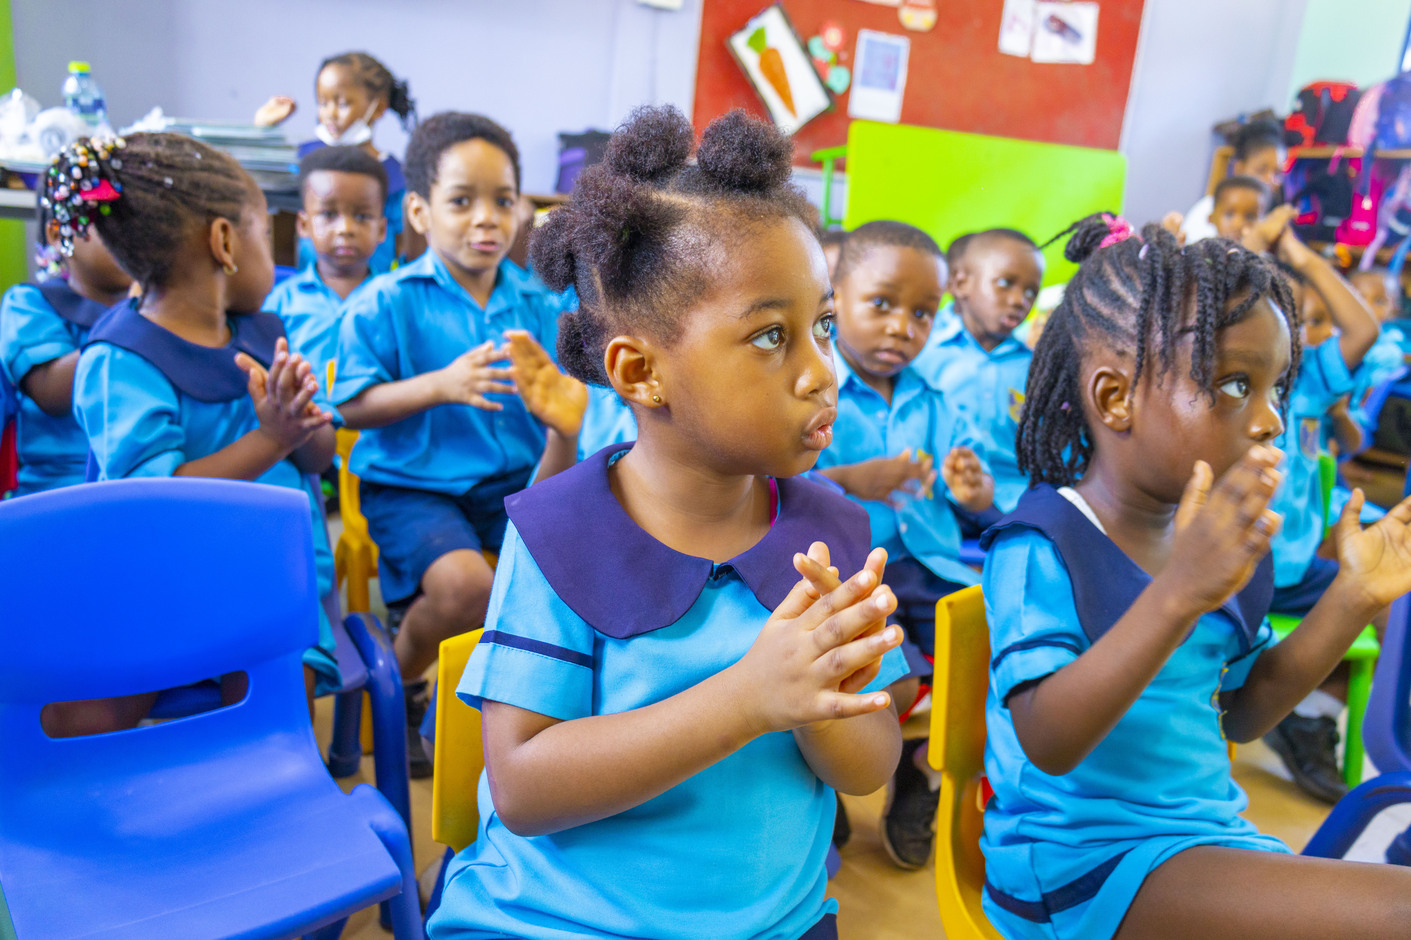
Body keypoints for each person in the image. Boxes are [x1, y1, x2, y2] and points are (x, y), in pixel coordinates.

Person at [426, 105, 908, 940]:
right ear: (640, 372)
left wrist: (819, 702)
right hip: (558, 925)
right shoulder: (558, 532)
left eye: (821, 327)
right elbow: (524, 789)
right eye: (770, 336)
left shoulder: (832, 530)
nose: (821, 372)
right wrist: (750, 697)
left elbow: (869, 772)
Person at [982, 212, 1411, 940]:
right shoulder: (1042, 544)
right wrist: (1179, 592)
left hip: (1204, 837)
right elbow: (1048, 742)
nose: (1273, 420)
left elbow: (1240, 711)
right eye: (1236, 384)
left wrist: (1350, 597)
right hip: (1076, 867)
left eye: (1277, 387)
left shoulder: (1224, 541)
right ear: (1114, 398)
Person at [63, 134, 337, 731]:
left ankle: (268, 800)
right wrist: (271, 438)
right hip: (158, 579)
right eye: (266, 233)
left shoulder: (267, 333)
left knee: (276, 700)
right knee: (91, 707)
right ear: (224, 242)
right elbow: (155, 504)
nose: (273, 249)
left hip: (270, 574)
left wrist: (304, 424)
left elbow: (318, 459)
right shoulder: (119, 360)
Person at [332, 112, 573, 777]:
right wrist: (438, 386)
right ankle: (404, 679)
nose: (486, 219)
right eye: (461, 201)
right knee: (469, 588)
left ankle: (520, 721)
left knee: (577, 579)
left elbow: (568, 405)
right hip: (416, 488)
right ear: (418, 210)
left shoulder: (541, 304)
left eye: (502, 200)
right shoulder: (385, 302)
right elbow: (350, 405)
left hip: (515, 488)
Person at [813, 219, 994, 870]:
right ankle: (824, 778)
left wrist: (972, 493)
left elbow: (968, 494)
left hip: (930, 566)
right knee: (883, 681)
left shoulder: (935, 398)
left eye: (922, 314)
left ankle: (920, 769)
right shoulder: (812, 384)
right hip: (847, 577)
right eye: (882, 304)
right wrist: (847, 480)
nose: (901, 328)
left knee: (992, 644)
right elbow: (771, 489)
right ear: (833, 295)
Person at [1241, 210, 1381, 803]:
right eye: (1279, 318)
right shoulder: (1238, 383)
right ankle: (1292, 718)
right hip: (1242, 571)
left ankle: (1323, 718)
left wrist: (1300, 255)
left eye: (1297, 320)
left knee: (1381, 593)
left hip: (1295, 569)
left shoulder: (1311, 383)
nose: (1292, 332)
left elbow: (1364, 330)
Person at [0, 183, 132, 495]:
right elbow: (52, 393)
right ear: (59, 235)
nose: (132, 237)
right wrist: (136, 317)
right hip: (57, 492)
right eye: (111, 222)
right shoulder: (30, 303)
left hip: (140, 482)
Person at [914, 227, 1044, 517]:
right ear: (960, 283)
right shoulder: (922, 347)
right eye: (1005, 283)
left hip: (1011, 502)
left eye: (1030, 292)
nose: (1018, 300)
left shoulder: (1035, 367)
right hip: (934, 499)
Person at [255, 51, 417, 271]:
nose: (329, 113)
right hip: (313, 292)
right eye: (322, 103)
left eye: (342, 104)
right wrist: (262, 130)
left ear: (377, 108)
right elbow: (259, 183)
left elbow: (403, 247)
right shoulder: (304, 160)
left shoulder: (394, 177)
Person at [264, 145, 388, 393]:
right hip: (301, 426)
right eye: (329, 214)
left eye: (362, 216)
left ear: (382, 229)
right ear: (303, 224)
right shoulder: (281, 302)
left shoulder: (393, 298)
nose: (345, 228)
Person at [1182, 119, 1286, 244]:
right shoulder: (1207, 209)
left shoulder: (1269, 219)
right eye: (1261, 170)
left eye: (1277, 173)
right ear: (1239, 168)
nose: (1271, 180)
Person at [1208, 176, 1269, 243]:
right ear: (1212, 218)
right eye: (1229, 215)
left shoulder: (1260, 252)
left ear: (1262, 222)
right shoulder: (1200, 251)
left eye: (1250, 217)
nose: (1238, 225)